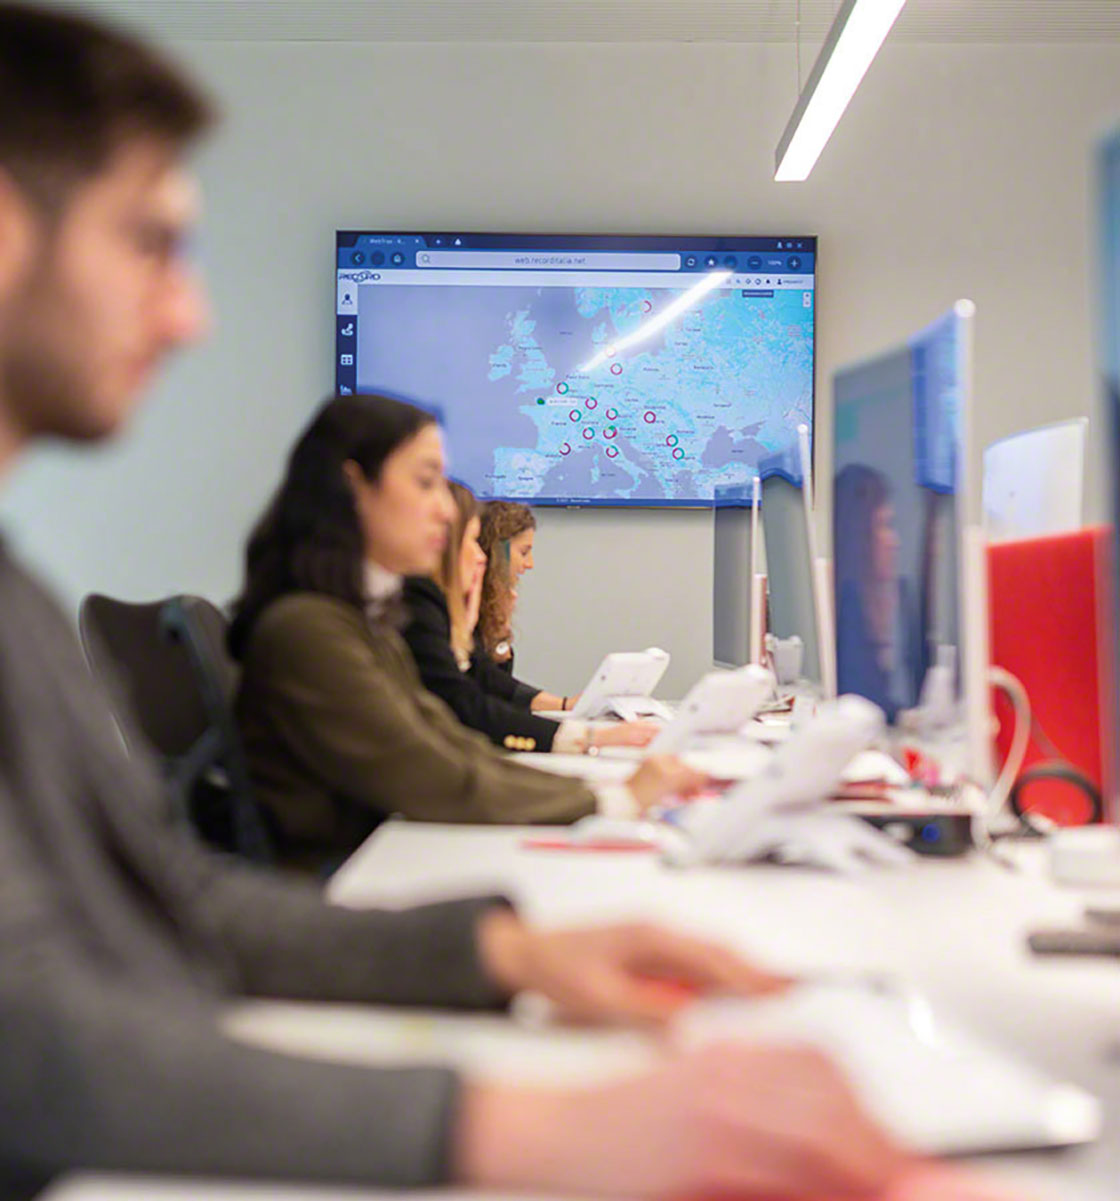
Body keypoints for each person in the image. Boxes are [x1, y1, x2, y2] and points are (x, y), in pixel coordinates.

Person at [0, 5, 909, 1198]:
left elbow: (182, 905)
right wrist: (520, 1126)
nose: (190, 314)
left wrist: (506, 951)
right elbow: (29, 1043)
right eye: (148, 241)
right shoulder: (298, 628)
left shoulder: (17, 596)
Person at [229, 395, 702, 871]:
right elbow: (427, 771)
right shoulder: (309, 631)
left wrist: (601, 791)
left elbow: (452, 743)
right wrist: (613, 801)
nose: (445, 511)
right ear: (354, 487)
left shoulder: (360, 622)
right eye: (425, 482)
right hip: (333, 883)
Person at [402, 481, 654, 754]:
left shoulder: (448, 603)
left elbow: (483, 678)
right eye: (524, 551)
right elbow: (468, 697)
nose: (479, 557)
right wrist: (588, 735)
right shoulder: (419, 601)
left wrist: (498, 636)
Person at [476, 499, 577, 711]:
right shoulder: (459, 605)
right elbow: (480, 685)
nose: (529, 564)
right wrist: (562, 705)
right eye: (523, 552)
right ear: (496, 551)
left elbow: (496, 685)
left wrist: (500, 635)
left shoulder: (491, 603)